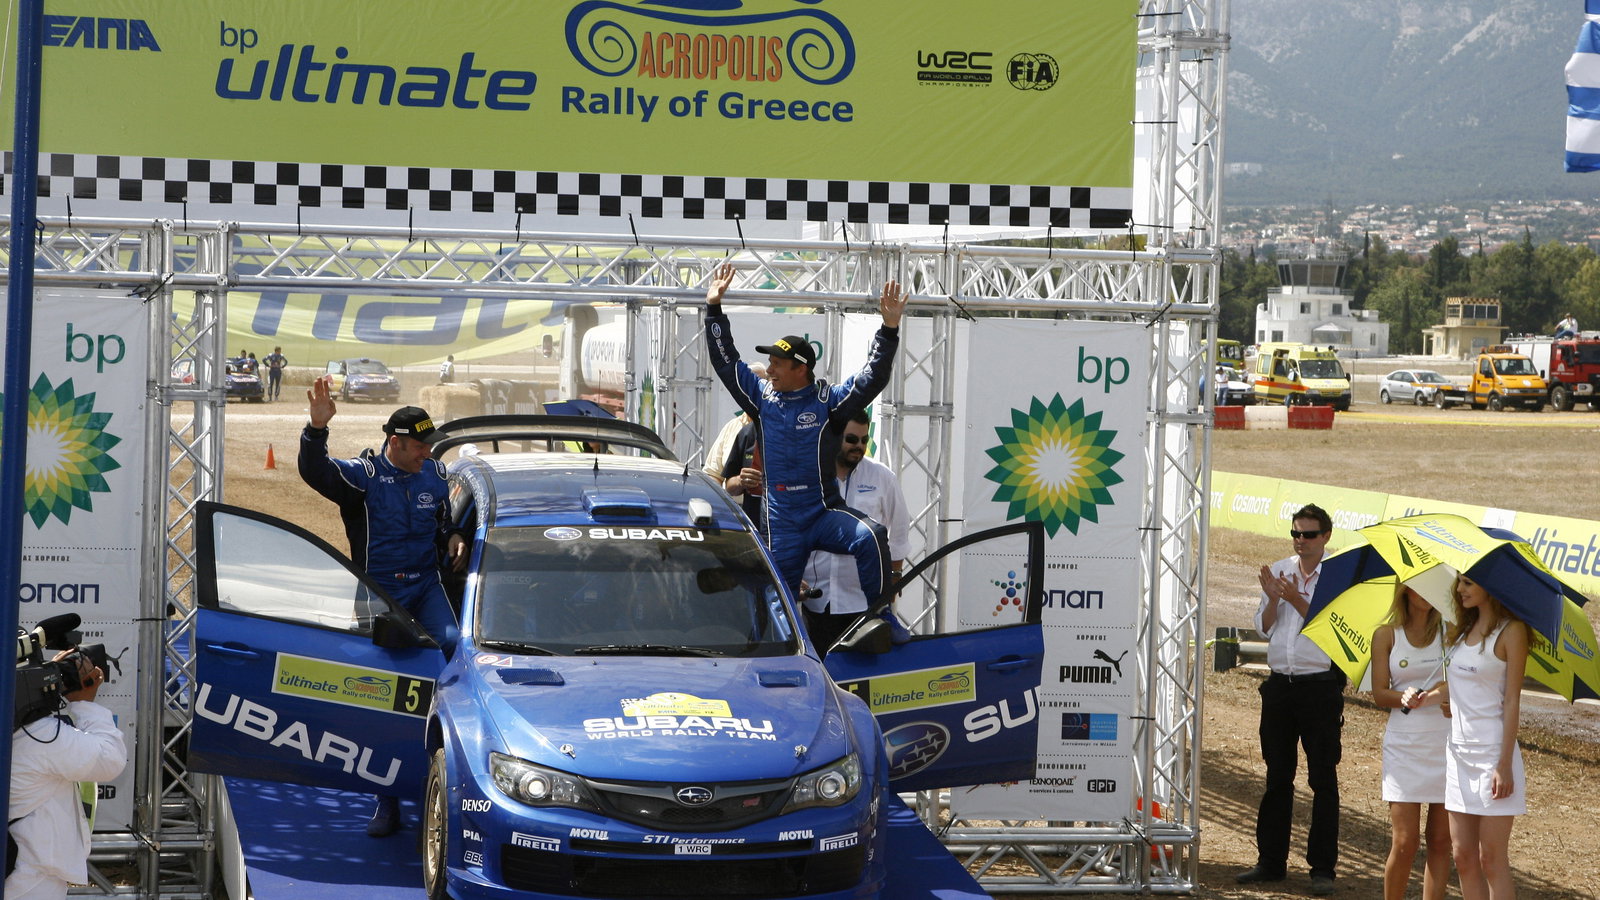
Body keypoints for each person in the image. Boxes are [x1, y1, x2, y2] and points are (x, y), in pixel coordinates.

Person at [297, 379, 468, 837]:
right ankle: (385, 799)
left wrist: (453, 536)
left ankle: (452, 773)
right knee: (385, 694)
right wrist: (316, 429)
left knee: (454, 653)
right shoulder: (363, 476)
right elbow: (316, 473)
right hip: (380, 596)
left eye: (430, 447)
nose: (427, 455)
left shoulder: (434, 474)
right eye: (419, 447)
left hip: (426, 587)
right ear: (396, 442)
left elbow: (442, 524)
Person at [703, 261, 904, 611]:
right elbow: (726, 363)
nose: (769, 370)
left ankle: (880, 618)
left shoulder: (829, 402)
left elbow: (873, 378)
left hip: (822, 512)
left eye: (777, 364)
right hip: (780, 520)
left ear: (801, 369)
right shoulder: (761, 398)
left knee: (871, 536)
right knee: (775, 603)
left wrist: (888, 329)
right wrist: (714, 310)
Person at [1238, 503, 1343, 896]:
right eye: (1296, 534)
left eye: (1309, 535)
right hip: (1281, 686)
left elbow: (1334, 629)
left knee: (1322, 777)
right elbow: (1264, 629)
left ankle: (1322, 868)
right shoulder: (1280, 569)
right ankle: (1270, 862)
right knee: (1277, 775)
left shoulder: (1336, 576)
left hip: (1319, 687)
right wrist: (1271, 600)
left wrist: (1298, 600)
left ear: (1326, 537)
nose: (1301, 541)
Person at [1410, 574, 1528, 900]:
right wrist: (1427, 697)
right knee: (1462, 857)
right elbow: (1457, 685)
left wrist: (1504, 764)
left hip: (1494, 755)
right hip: (1458, 755)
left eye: (1468, 583)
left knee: (1491, 859)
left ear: (1491, 587)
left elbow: (1513, 700)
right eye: (1459, 582)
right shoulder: (1461, 631)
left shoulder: (1512, 632)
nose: (1459, 589)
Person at [7, 652, 127, 900]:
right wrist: (85, 702)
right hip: (32, 877)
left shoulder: (22, 731)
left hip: (17, 869)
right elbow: (111, 759)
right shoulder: (41, 736)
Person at [799, 410, 911, 653]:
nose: (858, 446)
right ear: (833, 437)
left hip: (864, 604)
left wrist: (894, 575)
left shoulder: (882, 477)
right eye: (851, 439)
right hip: (816, 603)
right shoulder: (808, 475)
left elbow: (899, 531)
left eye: (864, 440)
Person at [1370, 583, 1452, 900]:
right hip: (1404, 744)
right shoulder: (1386, 634)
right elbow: (1380, 693)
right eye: (1418, 584)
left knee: (1441, 840)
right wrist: (1402, 696)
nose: (1425, 591)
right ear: (1404, 588)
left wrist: (1439, 698)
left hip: (1445, 741)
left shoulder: (1452, 632)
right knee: (1405, 842)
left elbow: (1458, 679)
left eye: (1431, 584)